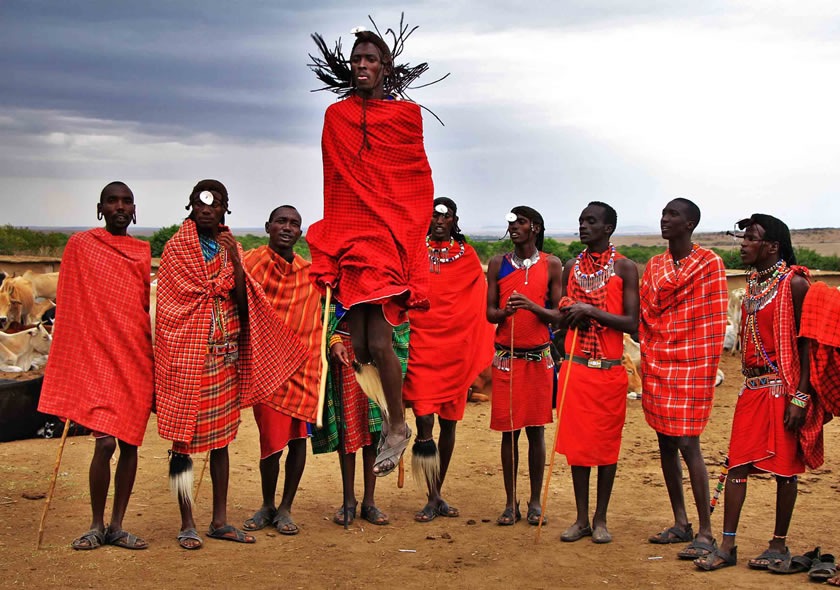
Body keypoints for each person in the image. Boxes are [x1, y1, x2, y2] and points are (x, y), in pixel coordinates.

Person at [307, 26, 438, 477]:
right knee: (360, 345)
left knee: (381, 341)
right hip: (350, 231)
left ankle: (399, 426)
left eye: (369, 59)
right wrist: (336, 236)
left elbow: (416, 177)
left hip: (389, 235)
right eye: (356, 59)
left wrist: (407, 234)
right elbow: (333, 177)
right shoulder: (336, 115)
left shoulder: (406, 116)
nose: (361, 65)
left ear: (384, 67)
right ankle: (388, 417)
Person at [155, 180, 307, 550]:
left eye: (215, 203)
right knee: (183, 445)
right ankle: (187, 522)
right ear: (191, 206)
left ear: (225, 209)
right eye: (200, 203)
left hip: (223, 358)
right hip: (185, 356)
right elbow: (169, 308)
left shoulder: (231, 250)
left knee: (221, 442)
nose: (207, 209)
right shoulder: (175, 250)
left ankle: (219, 520)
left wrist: (235, 262)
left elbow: (243, 301)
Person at [695, 214, 824, 571]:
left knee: (785, 471)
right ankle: (727, 546)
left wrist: (801, 397)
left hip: (783, 389)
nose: (744, 244)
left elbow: (807, 345)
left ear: (772, 246)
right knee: (737, 465)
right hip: (751, 389)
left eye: (751, 238)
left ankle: (778, 545)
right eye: (744, 238)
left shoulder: (793, 284)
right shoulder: (754, 284)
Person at [38, 181, 153, 550]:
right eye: (112, 201)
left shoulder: (141, 251)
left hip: (134, 356)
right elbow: (71, 302)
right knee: (104, 443)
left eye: (126, 202)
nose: (120, 207)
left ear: (134, 210)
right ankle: (95, 523)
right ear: (100, 208)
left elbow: (141, 308)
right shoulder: (82, 246)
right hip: (98, 356)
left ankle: (118, 525)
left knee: (130, 444)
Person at [639, 198, 728, 558]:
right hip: (658, 361)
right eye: (663, 214)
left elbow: (711, 320)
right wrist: (655, 345)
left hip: (692, 364)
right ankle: (681, 523)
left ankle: (706, 531)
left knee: (689, 444)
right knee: (665, 443)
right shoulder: (655, 264)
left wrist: (693, 355)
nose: (665, 220)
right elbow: (646, 312)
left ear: (690, 223)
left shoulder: (709, 264)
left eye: (672, 215)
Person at [403, 197, 495, 522]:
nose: (440, 220)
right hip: (421, 347)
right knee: (424, 421)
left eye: (446, 216)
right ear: (427, 219)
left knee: (449, 423)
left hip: (454, 351)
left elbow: (477, 300)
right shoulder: (414, 251)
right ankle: (431, 494)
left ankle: (436, 493)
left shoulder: (467, 256)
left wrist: (470, 342)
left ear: (454, 220)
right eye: (435, 215)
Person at [555, 202, 639, 544]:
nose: (583, 227)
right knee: (578, 447)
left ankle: (600, 517)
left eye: (591, 222)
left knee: (605, 446)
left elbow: (632, 322)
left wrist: (591, 309)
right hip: (575, 370)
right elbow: (562, 312)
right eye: (580, 221)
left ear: (608, 229)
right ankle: (580, 519)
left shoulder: (625, 268)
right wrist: (568, 309)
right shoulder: (571, 267)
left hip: (608, 371)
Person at [240, 205, 321, 536]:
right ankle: (267, 504)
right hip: (267, 367)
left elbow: (318, 316)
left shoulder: (309, 273)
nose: (287, 227)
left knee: (298, 440)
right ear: (268, 227)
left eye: (294, 224)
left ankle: (286, 507)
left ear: (300, 233)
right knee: (270, 441)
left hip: (303, 367)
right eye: (281, 222)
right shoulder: (250, 265)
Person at [486, 206, 564, 526]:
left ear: (535, 228)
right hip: (507, 359)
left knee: (536, 432)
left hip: (539, 359)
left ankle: (534, 502)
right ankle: (509, 503)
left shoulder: (552, 264)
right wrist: (504, 312)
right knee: (509, 433)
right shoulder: (497, 264)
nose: (514, 227)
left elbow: (559, 315)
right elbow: (490, 314)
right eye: (511, 223)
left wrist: (532, 306)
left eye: (521, 222)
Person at [311, 302, 410, 526]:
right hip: (345, 349)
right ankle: (348, 501)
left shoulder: (381, 275)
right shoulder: (341, 271)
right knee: (349, 426)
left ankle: (369, 502)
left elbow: (398, 312)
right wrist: (334, 340)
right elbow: (324, 307)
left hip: (379, 352)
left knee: (375, 428)